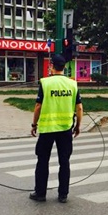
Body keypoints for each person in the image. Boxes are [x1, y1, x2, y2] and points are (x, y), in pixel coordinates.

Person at [29, 54, 83, 203]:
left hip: (47, 128)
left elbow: (38, 106)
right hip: (65, 128)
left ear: (51, 66)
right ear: (64, 67)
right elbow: (79, 108)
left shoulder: (45, 83)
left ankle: (40, 194)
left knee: (42, 161)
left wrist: (34, 124)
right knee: (64, 161)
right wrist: (78, 126)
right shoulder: (72, 84)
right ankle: (63, 194)